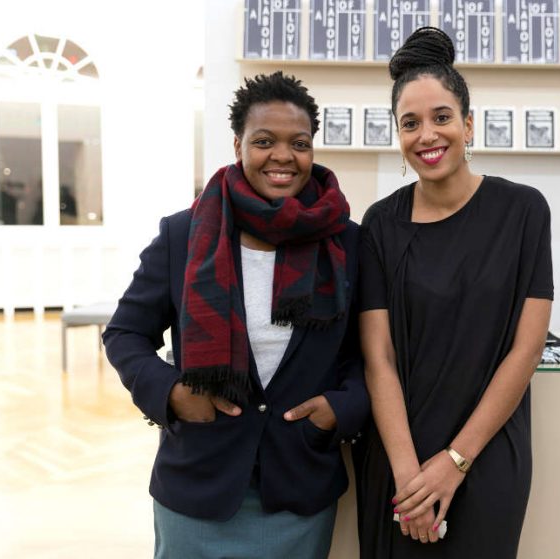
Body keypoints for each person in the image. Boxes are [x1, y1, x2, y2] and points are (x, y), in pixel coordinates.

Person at [103, 71, 368, 559]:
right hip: (198, 483)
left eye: (300, 143)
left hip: (298, 484)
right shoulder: (183, 235)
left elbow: (366, 353)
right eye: (264, 141)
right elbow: (124, 334)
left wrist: (340, 409)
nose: (283, 156)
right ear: (238, 144)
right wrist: (173, 394)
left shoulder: (347, 241)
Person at [353, 27, 553, 558]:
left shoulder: (524, 211)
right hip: (399, 462)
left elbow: (527, 348)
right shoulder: (379, 225)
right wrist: (409, 481)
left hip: (485, 458)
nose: (427, 135)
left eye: (441, 117)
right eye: (410, 123)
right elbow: (379, 358)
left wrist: (454, 463)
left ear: (468, 123)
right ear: (397, 135)